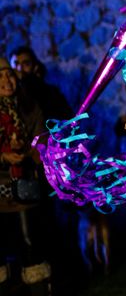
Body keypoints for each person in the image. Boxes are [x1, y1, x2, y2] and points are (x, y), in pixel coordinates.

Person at [0, 57, 51, 296]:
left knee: (31, 246)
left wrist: (30, 151)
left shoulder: (29, 106)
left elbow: (41, 138)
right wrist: (3, 157)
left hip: (24, 189)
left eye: (8, 74)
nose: (6, 81)